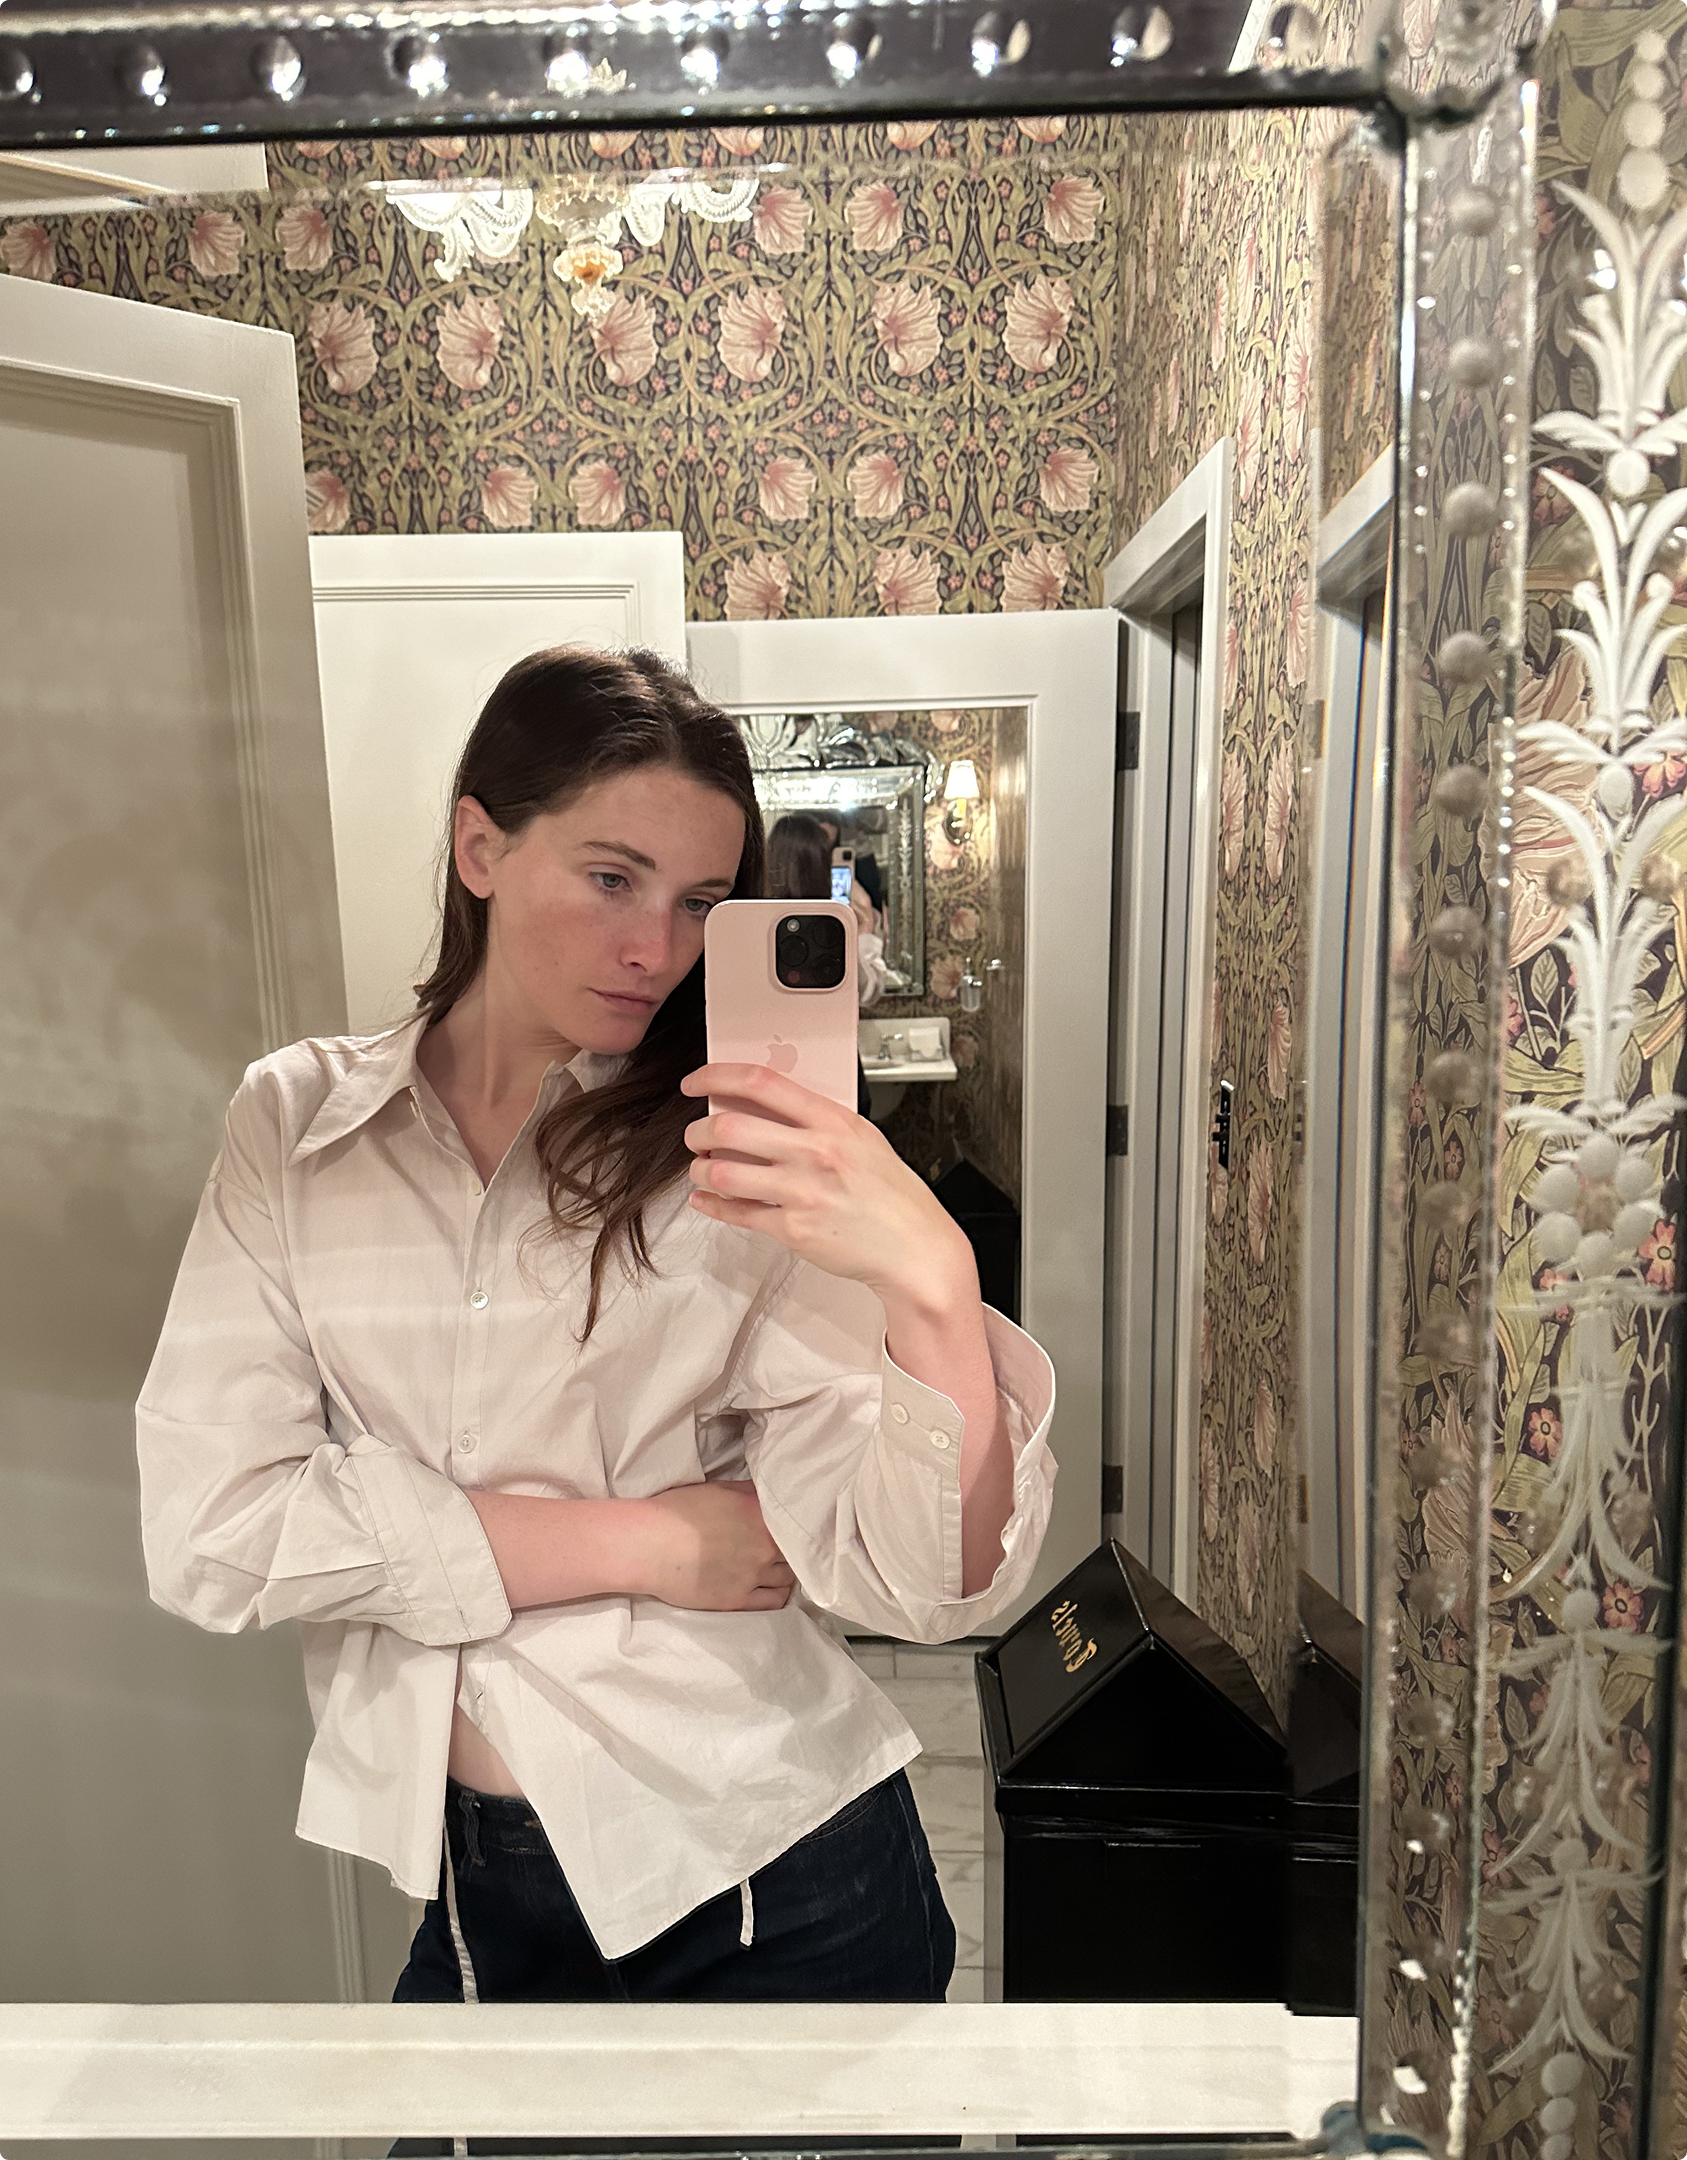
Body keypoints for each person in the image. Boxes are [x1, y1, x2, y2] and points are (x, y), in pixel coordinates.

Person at [135, 646, 1055, 2027]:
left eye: (700, 904)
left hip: (777, 1890)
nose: (657, 952)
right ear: (480, 847)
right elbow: (212, 1531)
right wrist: (649, 1544)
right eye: (612, 877)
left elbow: (927, 1591)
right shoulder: (297, 1128)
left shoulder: (724, 1158)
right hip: (472, 1894)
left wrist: (930, 1285)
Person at [765, 810, 889, 1008]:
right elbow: (865, 992)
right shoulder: (825, 929)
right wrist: (866, 931)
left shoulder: (754, 921)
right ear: (817, 868)